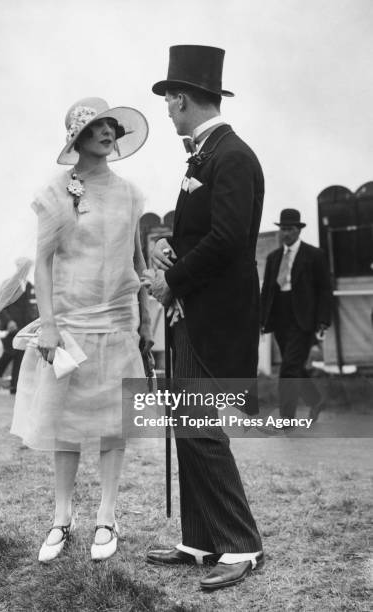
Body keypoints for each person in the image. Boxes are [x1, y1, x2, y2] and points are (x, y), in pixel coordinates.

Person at [9, 97, 151, 563]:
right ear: (78, 138)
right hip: (70, 322)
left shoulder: (131, 193)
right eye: (96, 127)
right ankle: (61, 517)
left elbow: (137, 261)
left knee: (115, 423)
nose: (107, 133)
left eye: (111, 126)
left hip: (118, 321)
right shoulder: (57, 192)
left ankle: (107, 517)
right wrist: (48, 324)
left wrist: (144, 319)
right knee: (65, 422)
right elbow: (44, 265)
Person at [147, 45, 264, 590]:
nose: (168, 108)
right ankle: (200, 540)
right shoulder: (205, 155)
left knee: (198, 426)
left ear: (183, 98)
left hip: (212, 314)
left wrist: (171, 279)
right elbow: (204, 235)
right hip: (193, 309)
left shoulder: (230, 155)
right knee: (185, 424)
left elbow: (228, 240)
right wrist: (174, 247)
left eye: (170, 99)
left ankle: (241, 546)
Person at [261, 208, 332, 421]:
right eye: (283, 229)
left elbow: (324, 289)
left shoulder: (314, 255)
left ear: (298, 231)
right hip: (280, 318)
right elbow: (267, 292)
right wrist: (262, 320)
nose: (286, 234)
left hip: (304, 319)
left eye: (290, 229)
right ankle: (316, 400)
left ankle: (286, 419)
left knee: (288, 369)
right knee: (295, 366)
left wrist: (322, 321)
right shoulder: (273, 258)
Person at [0, 259, 38, 394]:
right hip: (12, 325)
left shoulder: (29, 285)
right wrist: (8, 321)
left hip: (25, 325)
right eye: (23, 267)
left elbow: (31, 306)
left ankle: (15, 385)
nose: (25, 269)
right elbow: (0, 304)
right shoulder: (9, 283)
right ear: (17, 267)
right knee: (10, 351)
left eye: (28, 267)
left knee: (20, 354)